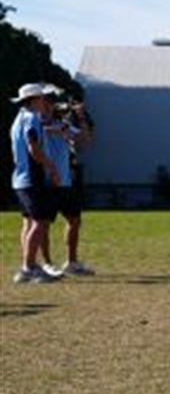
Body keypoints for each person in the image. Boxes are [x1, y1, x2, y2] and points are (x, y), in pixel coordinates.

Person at [9, 83, 62, 284]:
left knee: (29, 222)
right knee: (40, 222)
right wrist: (52, 168)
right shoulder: (32, 118)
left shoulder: (18, 119)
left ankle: (28, 266)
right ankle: (28, 268)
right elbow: (34, 148)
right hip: (33, 179)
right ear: (35, 99)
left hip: (20, 179)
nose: (45, 101)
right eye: (42, 97)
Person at [41, 85, 94, 275]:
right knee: (43, 223)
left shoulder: (62, 123)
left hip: (65, 180)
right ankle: (46, 263)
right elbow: (45, 129)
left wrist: (80, 117)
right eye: (51, 100)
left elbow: (85, 139)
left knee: (75, 220)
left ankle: (71, 262)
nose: (56, 104)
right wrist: (62, 125)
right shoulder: (37, 119)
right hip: (47, 180)